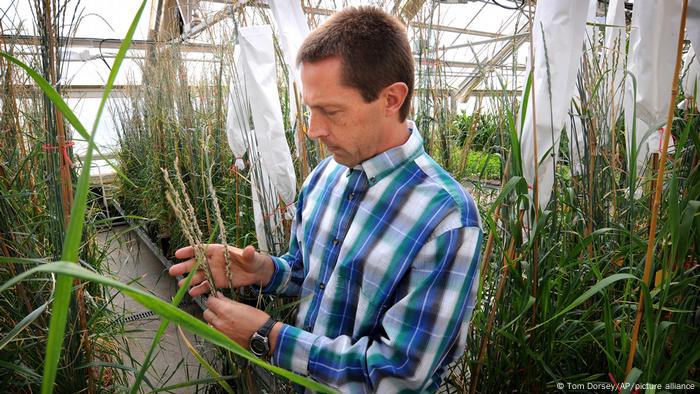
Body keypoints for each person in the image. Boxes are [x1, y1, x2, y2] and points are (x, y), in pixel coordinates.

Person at [169, 6, 483, 392]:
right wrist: (264, 270)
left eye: (331, 111)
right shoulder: (325, 176)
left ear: (391, 99)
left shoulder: (446, 217)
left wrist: (269, 336)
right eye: (310, 110)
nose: (315, 129)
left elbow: (399, 374)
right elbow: (309, 273)